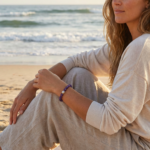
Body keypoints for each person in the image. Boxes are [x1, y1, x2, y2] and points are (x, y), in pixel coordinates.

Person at [0, 0, 150, 149]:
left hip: (139, 145)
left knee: (56, 99)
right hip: (132, 135)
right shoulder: (132, 43)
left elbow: (110, 121)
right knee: (78, 75)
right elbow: (78, 60)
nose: (116, 2)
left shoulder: (141, 47)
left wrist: (60, 89)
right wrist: (32, 85)